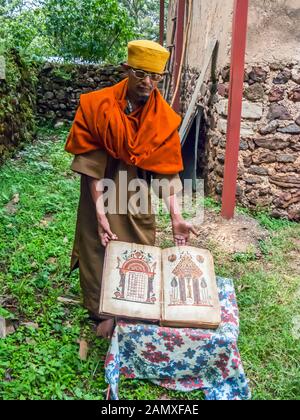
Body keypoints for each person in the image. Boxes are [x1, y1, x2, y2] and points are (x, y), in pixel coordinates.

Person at [65, 40, 198, 339]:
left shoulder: (162, 117)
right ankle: (100, 311)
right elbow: (90, 162)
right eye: (140, 74)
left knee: (138, 241)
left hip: (135, 186)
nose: (148, 82)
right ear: (127, 70)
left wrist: (176, 216)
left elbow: (166, 170)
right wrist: (99, 211)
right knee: (97, 242)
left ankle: (130, 310)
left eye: (155, 76)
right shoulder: (98, 106)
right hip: (102, 182)